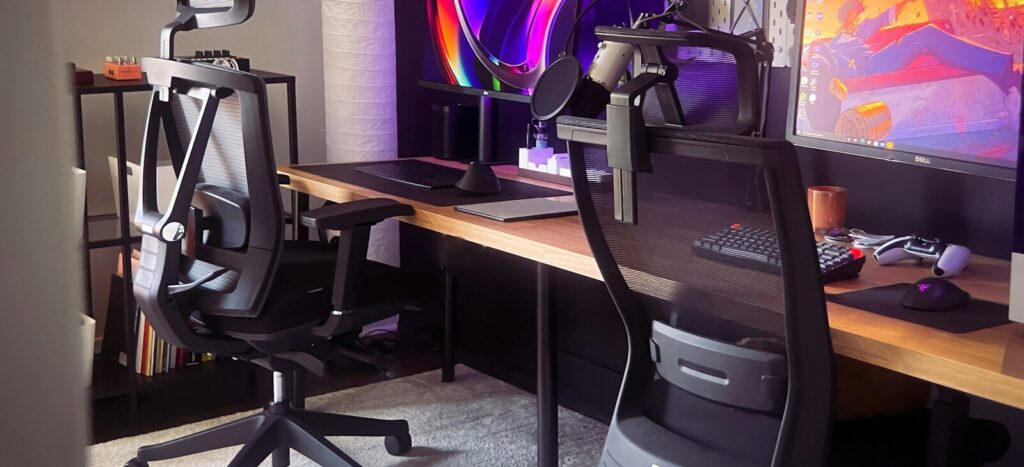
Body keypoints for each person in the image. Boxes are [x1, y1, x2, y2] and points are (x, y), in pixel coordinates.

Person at [820, 0, 1016, 93]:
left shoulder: (861, 28)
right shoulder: (830, 45)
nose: (854, 19)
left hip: (873, 63)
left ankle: (1001, 68)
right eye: (852, 14)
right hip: (865, 70)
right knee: (924, 36)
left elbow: (887, 15)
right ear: (843, 15)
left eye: (856, 14)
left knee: (925, 34)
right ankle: (1003, 68)